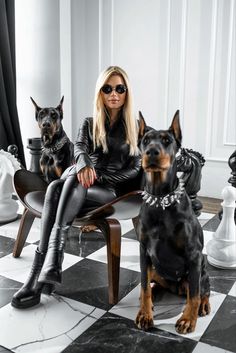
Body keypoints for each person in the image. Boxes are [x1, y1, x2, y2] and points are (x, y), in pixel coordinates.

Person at [12, 66, 141, 309]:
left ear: (126, 93)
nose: (114, 93)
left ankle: (46, 265)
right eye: (108, 88)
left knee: (58, 186)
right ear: (100, 93)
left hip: (108, 192)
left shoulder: (135, 127)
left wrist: (99, 175)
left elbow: (136, 167)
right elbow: (79, 148)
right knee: (58, 187)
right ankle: (45, 269)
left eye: (120, 88)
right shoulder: (89, 123)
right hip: (80, 183)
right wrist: (83, 166)